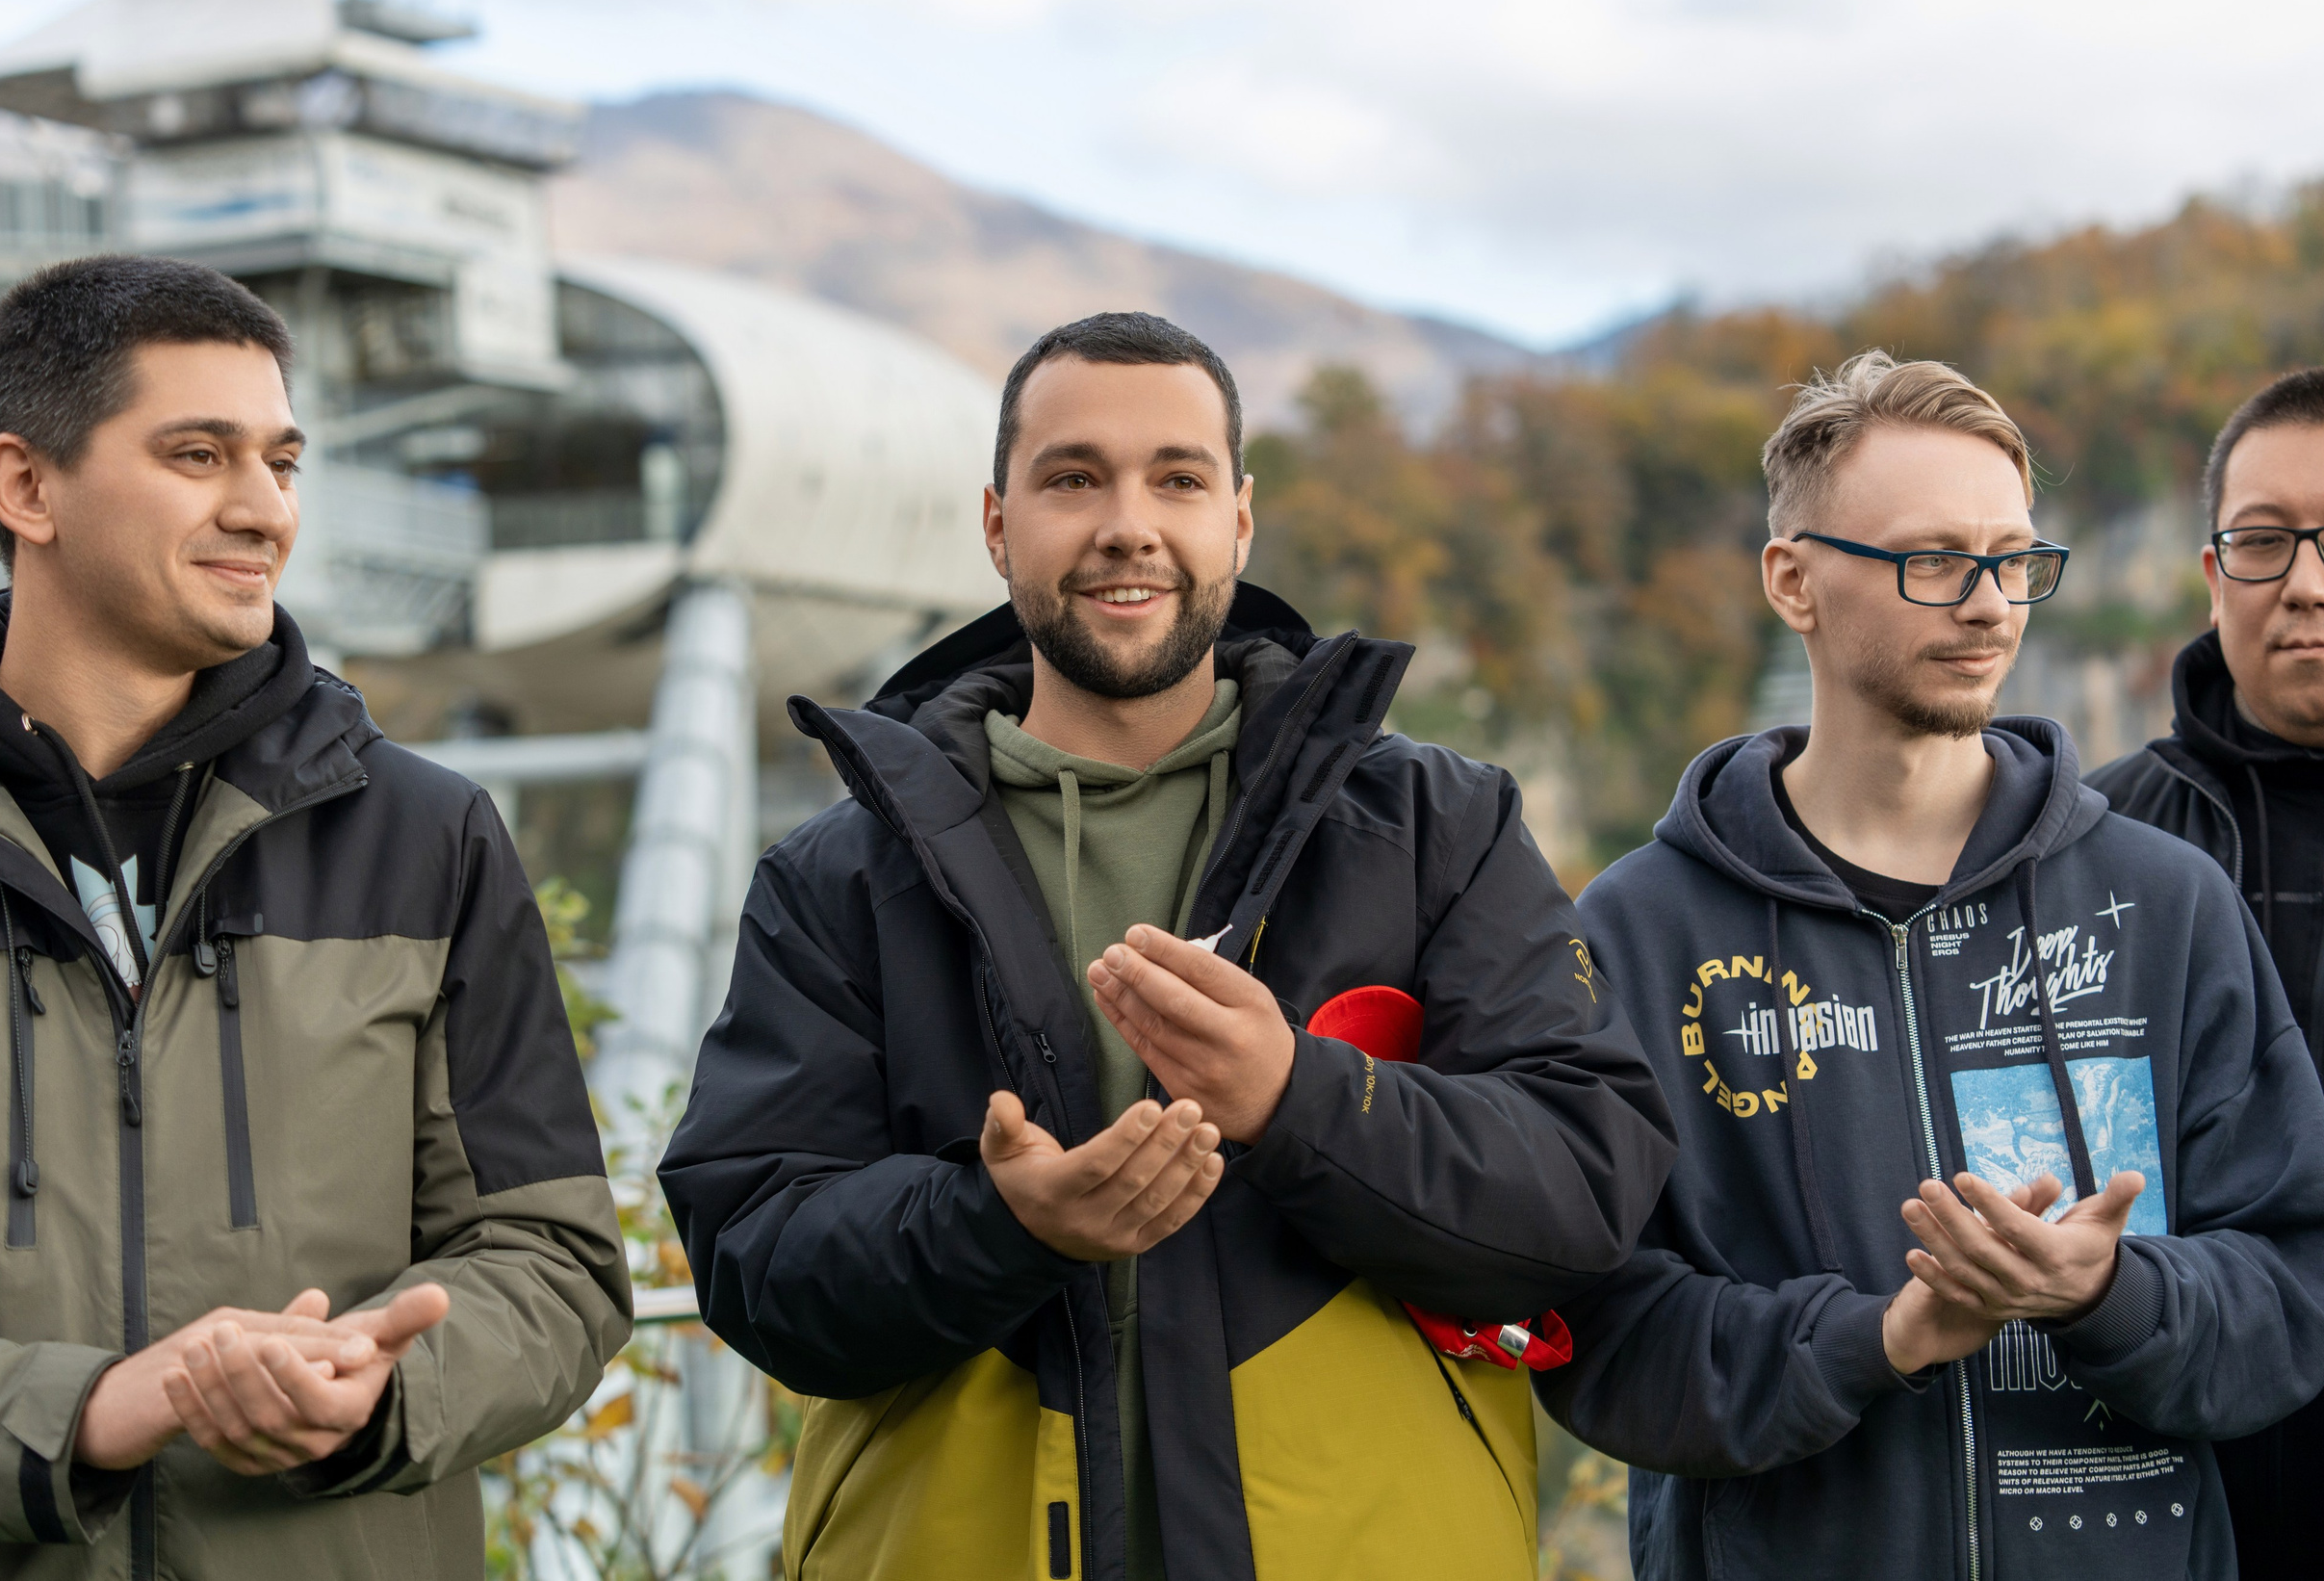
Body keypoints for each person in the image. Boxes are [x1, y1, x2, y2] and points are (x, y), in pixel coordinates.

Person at [659, 311, 1675, 1581]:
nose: (1127, 523)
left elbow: (1580, 1191)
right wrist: (1002, 1221)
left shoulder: (1432, 826)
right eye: (1073, 477)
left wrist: (1300, 1099)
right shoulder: (841, 873)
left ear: (1239, 522)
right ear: (996, 522)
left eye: (1178, 478)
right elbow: (754, 1260)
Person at [1536, 350, 2324, 1580]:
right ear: (1793, 581)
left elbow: (2300, 1279)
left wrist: (2108, 1295)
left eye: (2012, 560)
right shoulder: (1641, 932)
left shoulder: (2161, 903)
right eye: (1932, 560)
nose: (1988, 605)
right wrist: (1883, 1338)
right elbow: (1597, 1336)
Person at [0, 253, 630, 1576]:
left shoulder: (427, 836)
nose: (263, 510)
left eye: (281, 463)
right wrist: (89, 1413)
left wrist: (380, 1384)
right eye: (198, 454)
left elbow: (555, 1257)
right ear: (26, 485)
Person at [2088, 365, 2324, 1578]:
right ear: (2212, 578)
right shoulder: (2096, 848)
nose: (2306, 583)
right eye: (2263, 543)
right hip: (2171, 1480)